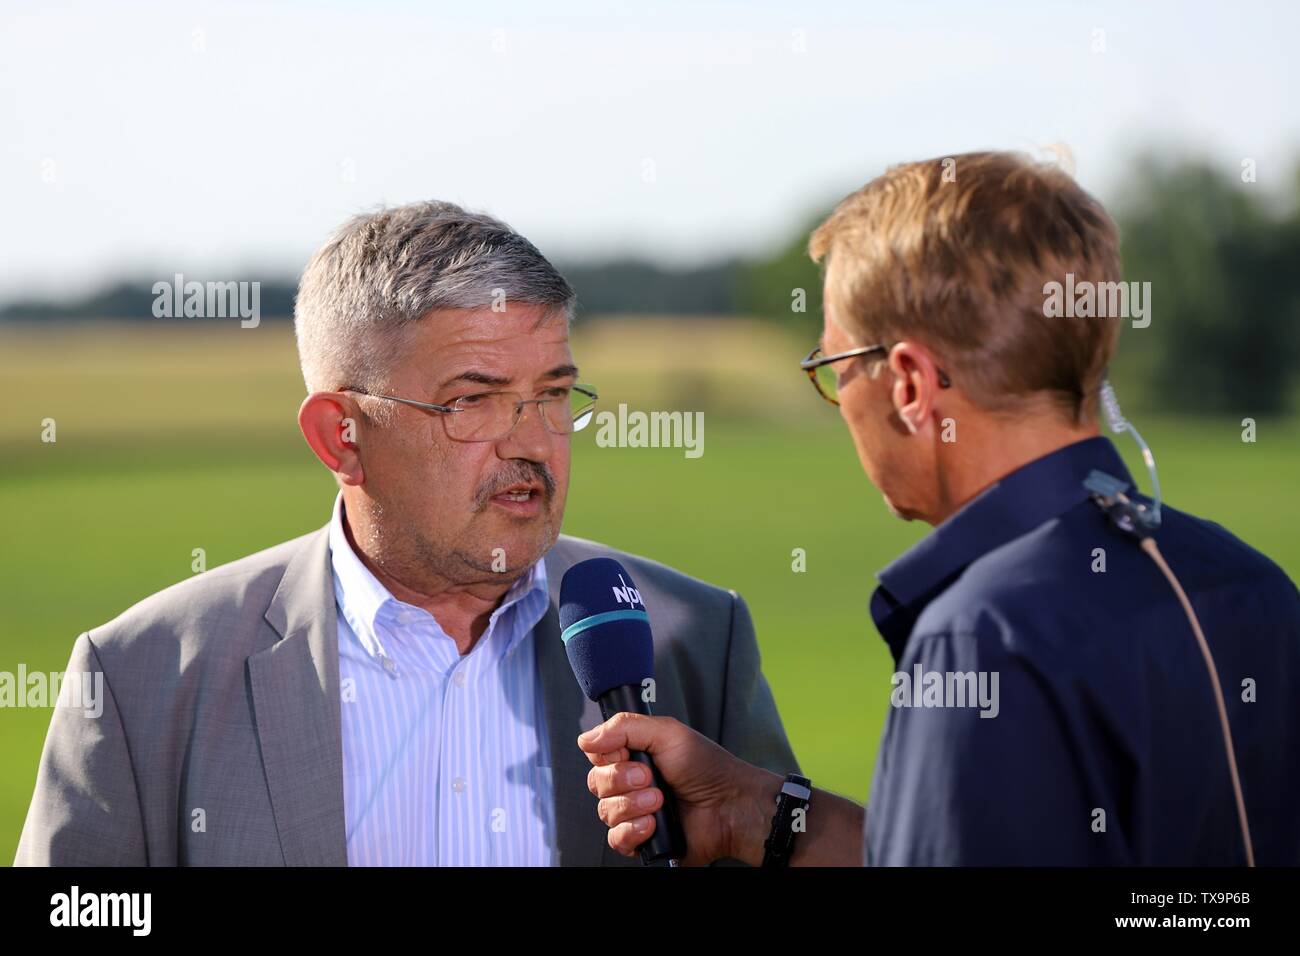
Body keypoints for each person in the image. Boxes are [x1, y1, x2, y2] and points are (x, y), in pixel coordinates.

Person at [15, 201, 797, 866]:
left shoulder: (692, 637)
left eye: (553, 393)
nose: (531, 441)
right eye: (473, 401)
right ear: (339, 436)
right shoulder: (142, 676)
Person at [578, 151, 1300, 866]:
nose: (839, 406)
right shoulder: (1252, 583)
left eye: (834, 370)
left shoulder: (983, 636)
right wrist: (763, 816)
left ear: (910, 385)